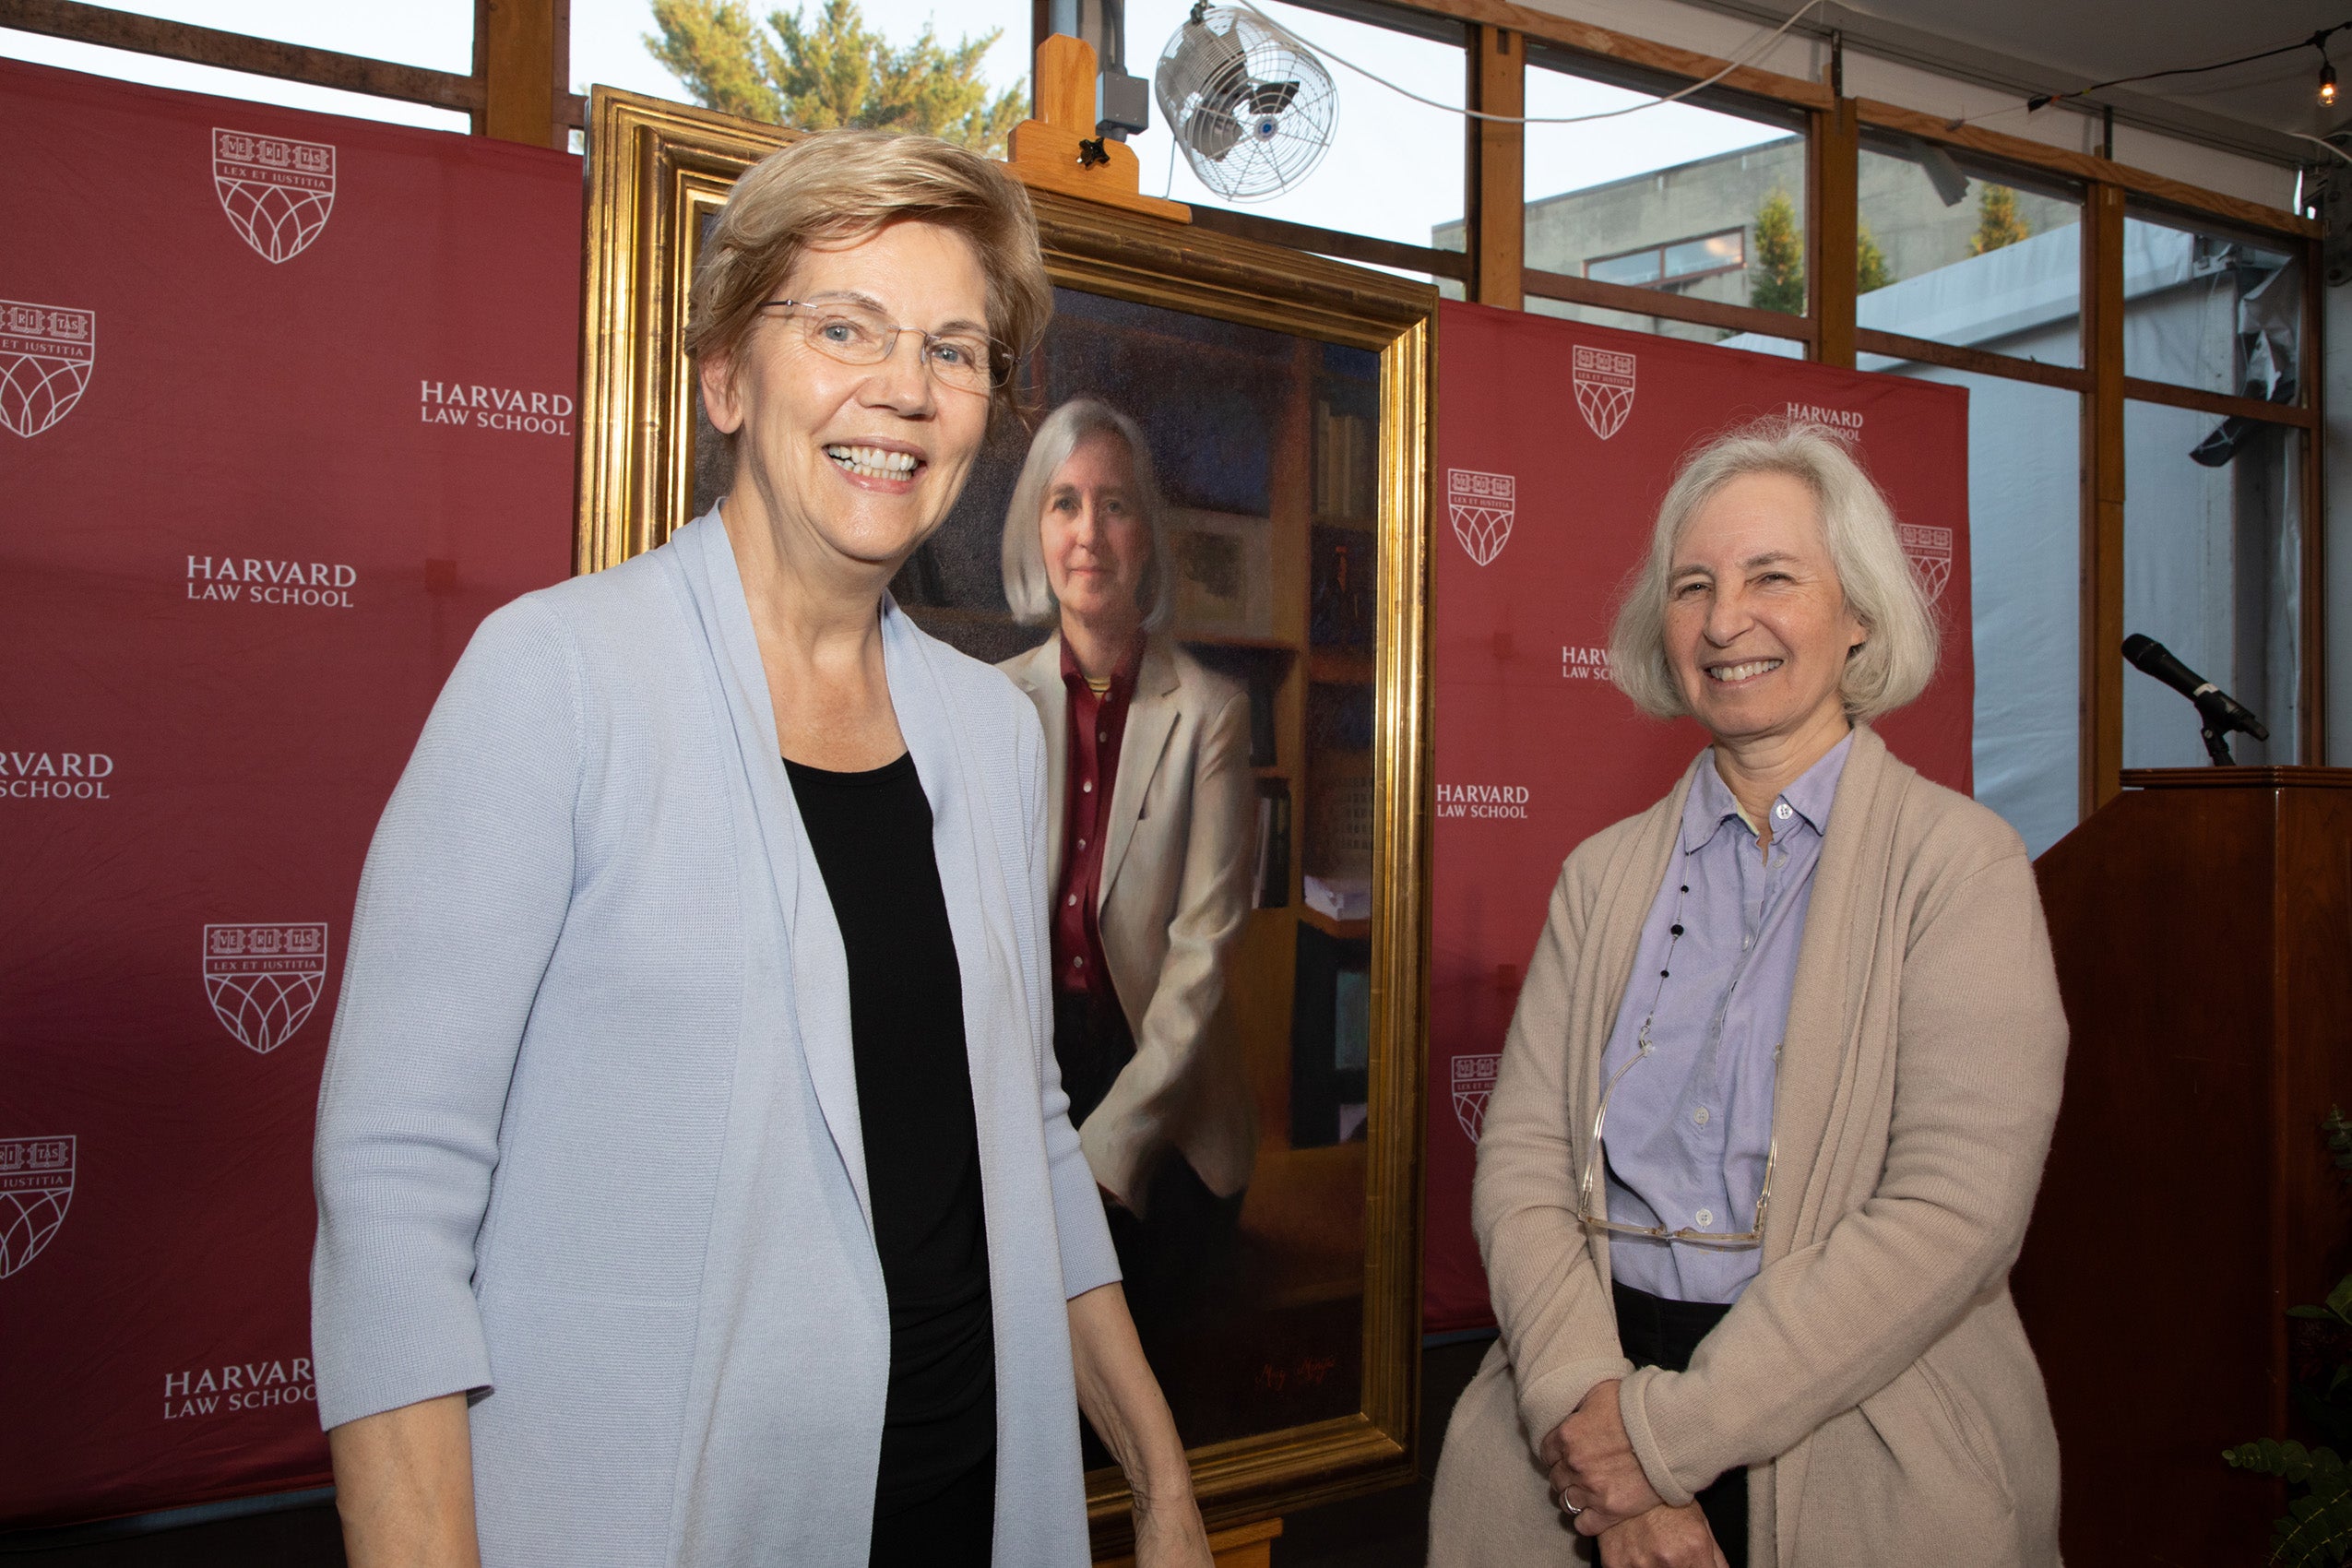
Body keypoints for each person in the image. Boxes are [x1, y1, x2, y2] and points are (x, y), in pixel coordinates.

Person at [310, 131, 1212, 1568]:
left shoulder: (991, 734)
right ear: (726, 377)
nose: (903, 388)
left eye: (953, 349)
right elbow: (394, 1190)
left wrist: (1159, 1484)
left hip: (967, 1513)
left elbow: (1027, 1137)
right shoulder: (555, 680)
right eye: (844, 328)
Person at [1427, 421, 2067, 1568]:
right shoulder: (1600, 877)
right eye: (1694, 586)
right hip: (1578, 1419)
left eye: (1773, 576)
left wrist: (1666, 1440)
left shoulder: (1960, 866)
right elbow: (1521, 1165)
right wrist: (1594, 1427)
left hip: (1855, 1428)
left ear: (1860, 611)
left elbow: (1954, 1213)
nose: (1726, 621)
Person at [996, 398, 1258, 1367]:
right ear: (1037, 529)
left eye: (1114, 505)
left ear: (1146, 534)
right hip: (1036, 1073)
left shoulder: (1213, 713)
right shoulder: (994, 703)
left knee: (1138, 1363)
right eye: (1065, 502)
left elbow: (1202, 958)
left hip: (1169, 1099)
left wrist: (1099, 1157)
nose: (1089, 532)